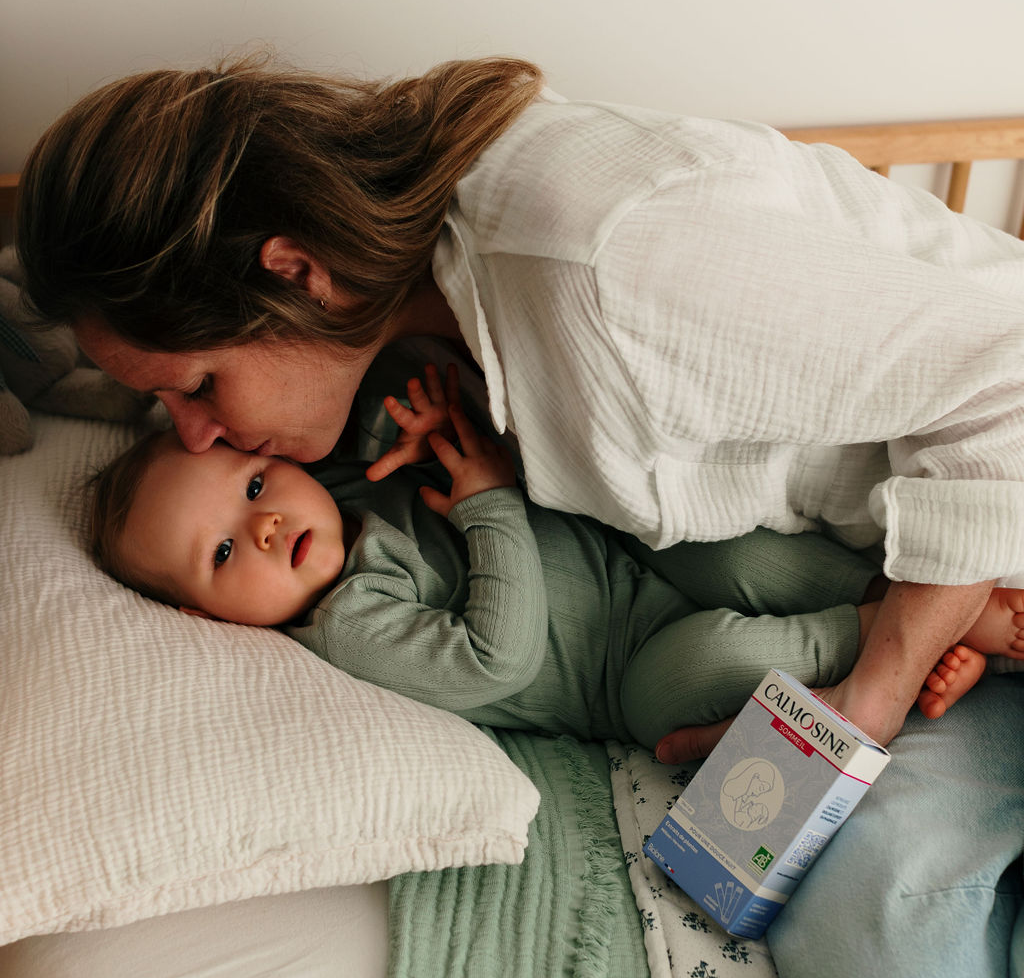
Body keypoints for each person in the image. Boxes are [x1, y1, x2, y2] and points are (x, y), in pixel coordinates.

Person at [16, 54, 1024, 978]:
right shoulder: (408, 320)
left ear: (290, 270)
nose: (194, 429)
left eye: (197, 388)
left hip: (971, 555)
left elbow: (1007, 369)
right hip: (879, 571)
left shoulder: (610, 261)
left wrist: (865, 695)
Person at [84, 364, 1024, 746]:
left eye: (253, 488)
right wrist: (489, 505)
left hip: (636, 563)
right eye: (219, 553)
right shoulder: (347, 627)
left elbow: (397, 376)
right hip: (623, 679)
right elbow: (500, 656)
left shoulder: (347, 490)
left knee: (730, 547)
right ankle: (869, 634)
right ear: (204, 619)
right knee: (694, 665)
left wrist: (418, 416)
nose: (263, 527)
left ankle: (930, 601)